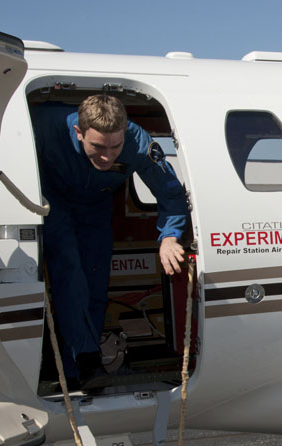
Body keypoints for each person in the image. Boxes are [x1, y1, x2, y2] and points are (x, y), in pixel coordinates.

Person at [32, 94, 188, 389]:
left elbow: (170, 192)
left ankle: (78, 370)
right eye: (98, 147)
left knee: (95, 284)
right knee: (69, 272)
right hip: (54, 203)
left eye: (115, 147)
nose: (107, 156)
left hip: (96, 208)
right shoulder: (42, 124)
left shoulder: (137, 140)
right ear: (79, 132)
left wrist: (169, 236)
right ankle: (87, 361)